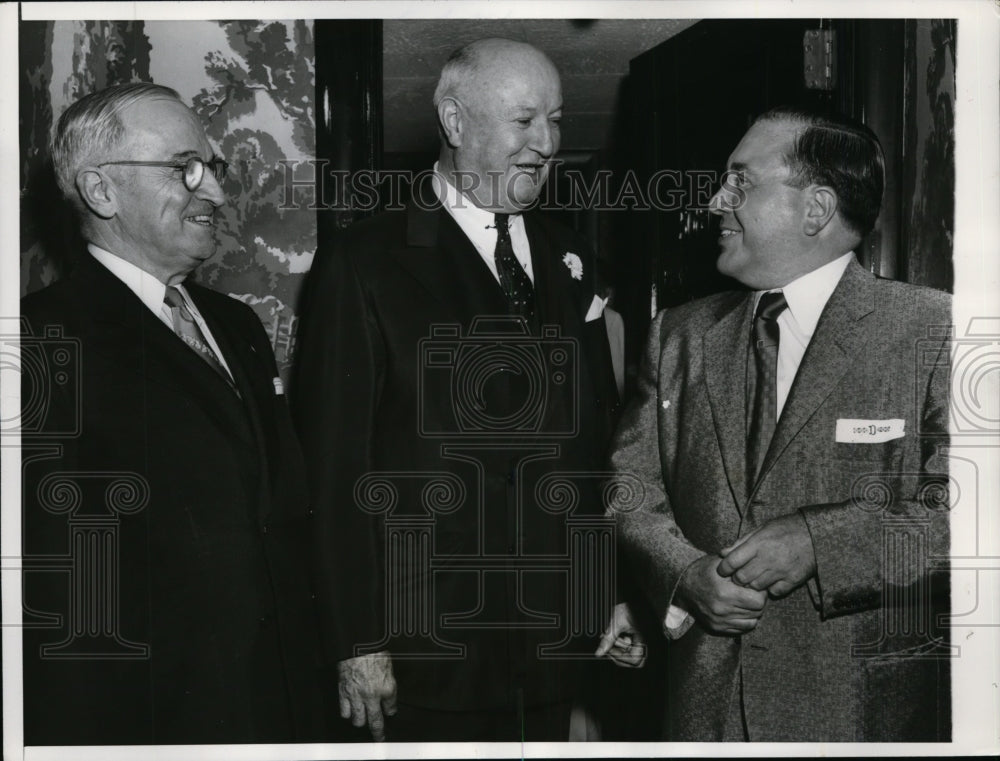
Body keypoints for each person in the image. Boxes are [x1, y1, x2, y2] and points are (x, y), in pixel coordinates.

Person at [293, 38, 623, 742]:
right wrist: (358, 640)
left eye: (556, 121)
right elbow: (332, 467)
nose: (547, 143)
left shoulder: (574, 258)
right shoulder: (365, 261)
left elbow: (595, 450)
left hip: (553, 643)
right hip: (426, 649)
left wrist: (608, 594)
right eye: (525, 120)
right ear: (454, 119)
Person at [607, 106, 951, 741]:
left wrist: (820, 542)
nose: (715, 200)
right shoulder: (678, 336)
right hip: (702, 712)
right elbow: (629, 490)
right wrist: (681, 572)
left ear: (815, 208)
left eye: (741, 181)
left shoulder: (932, 331)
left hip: (858, 719)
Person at [20, 83, 325, 745]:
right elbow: (55, 599)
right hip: (160, 718)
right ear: (100, 191)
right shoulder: (40, 343)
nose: (216, 193)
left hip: (285, 703)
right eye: (184, 168)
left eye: (213, 169)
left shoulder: (235, 324)